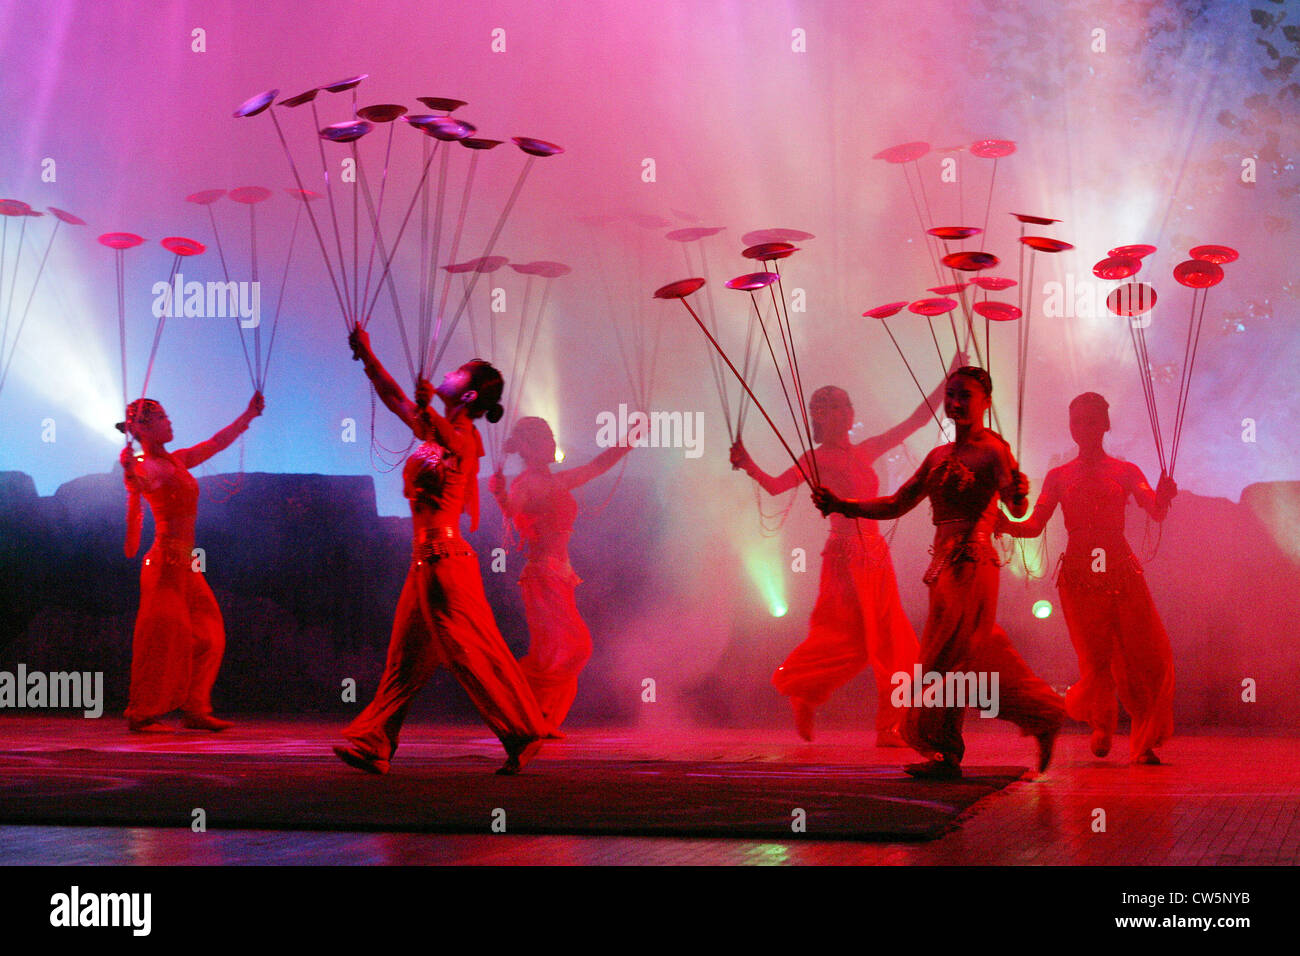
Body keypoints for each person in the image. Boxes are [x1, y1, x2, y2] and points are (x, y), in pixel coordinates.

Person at [813, 367, 1065, 779]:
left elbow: (1016, 510)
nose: (955, 403)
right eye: (950, 395)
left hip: (975, 564)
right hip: (943, 570)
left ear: (985, 401)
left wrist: (1019, 493)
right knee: (970, 657)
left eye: (965, 395)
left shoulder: (993, 451)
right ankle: (1040, 714)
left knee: (943, 662)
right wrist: (845, 505)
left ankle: (947, 752)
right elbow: (897, 503)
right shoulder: (938, 457)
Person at [334, 327, 549, 776]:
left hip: (444, 563)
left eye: (458, 373)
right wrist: (368, 356)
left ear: (468, 395)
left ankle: (523, 732)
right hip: (427, 564)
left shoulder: (464, 438)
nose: (448, 373)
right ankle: (376, 743)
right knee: (404, 661)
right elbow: (396, 400)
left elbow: (444, 435)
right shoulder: (437, 431)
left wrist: (428, 405)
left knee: (469, 653)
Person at [729, 369, 954, 746]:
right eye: (830, 408)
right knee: (847, 640)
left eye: (844, 406)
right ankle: (804, 688)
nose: (840, 413)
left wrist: (947, 379)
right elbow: (775, 486)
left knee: (895, 641)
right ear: (817, 416)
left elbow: (915, 421)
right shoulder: (816, 459)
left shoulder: (866, 450)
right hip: (845, 557)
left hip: (877, 556)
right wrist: (748, 462)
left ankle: (890, 726)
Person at [996, 392, 1175, 764]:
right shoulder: (1058, 476)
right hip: (1079, 576)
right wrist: (1007, 524)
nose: (1084, 428)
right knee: (1095, 660)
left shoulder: (1127, 471)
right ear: (1071, 427)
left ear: (1105, 425)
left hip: (1122, 572)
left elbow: (1154, 511)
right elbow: (1033, 525)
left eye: (1092, 420)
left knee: (1145, 654)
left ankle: (1143, 738)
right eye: (1077, 421)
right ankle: (1102, 723)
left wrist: (1164, 498)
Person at [117, 393, 264, 732]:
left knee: (211, 635)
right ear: (143, 427)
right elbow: (140, 481)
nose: (170, 421)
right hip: (164, 564)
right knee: (164, 638)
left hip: (187, 564)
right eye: (162, 418)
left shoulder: (178, 461)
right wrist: (129, 472)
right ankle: (141, 713)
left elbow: (216, 442)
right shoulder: (145, 466)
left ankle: (195, 708)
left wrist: (248, 415)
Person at [488, 417, 630, 734]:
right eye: (547, 440)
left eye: (552, 438)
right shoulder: (525, 484)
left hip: (560, 575)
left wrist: (630, 438)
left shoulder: (557, 481)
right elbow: (511, 510)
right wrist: (499, 495)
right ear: (530, 448)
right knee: (575, 647)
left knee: (551, 652)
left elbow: (598, 465)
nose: (553, 444)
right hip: (542, 576)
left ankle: (538, 718)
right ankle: (516, 700)